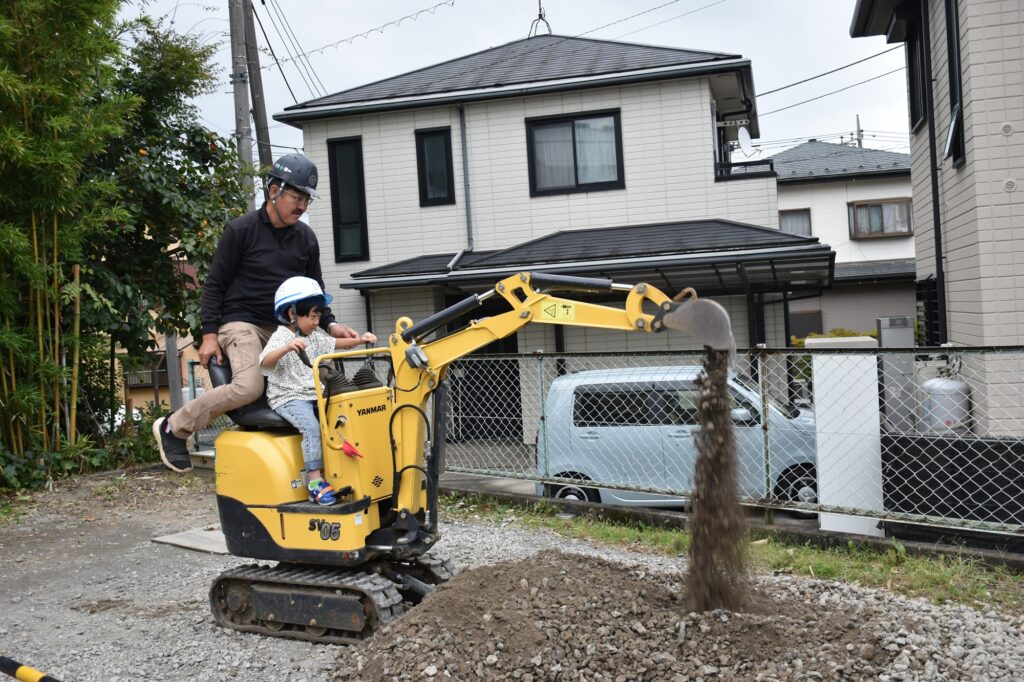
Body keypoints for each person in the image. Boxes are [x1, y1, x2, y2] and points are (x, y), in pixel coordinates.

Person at [153, 153, 357, 473]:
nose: (302, 205)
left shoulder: (306, 239)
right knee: (249, 387)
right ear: (274, 190)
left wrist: (330, 326)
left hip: (285, 327)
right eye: (297, 196)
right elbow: (214, 285)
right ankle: (174, 427)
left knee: (327, 377)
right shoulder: (241, 230)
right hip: (241, 322)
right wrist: (209, 335)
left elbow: (314, 290)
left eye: (307, 198)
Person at [260, 277, 376, 505]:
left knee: (342, 420)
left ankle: (343, 472)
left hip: (314, 395)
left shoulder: (313, 337)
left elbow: (334, 344)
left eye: (318, 317)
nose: (316, 322)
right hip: (289, 397)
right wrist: (286, 348)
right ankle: (314, 482)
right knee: (311, 427)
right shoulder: (281, 336)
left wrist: (362, 339)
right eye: (312, 316)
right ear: (292, 314)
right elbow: (264, 362)